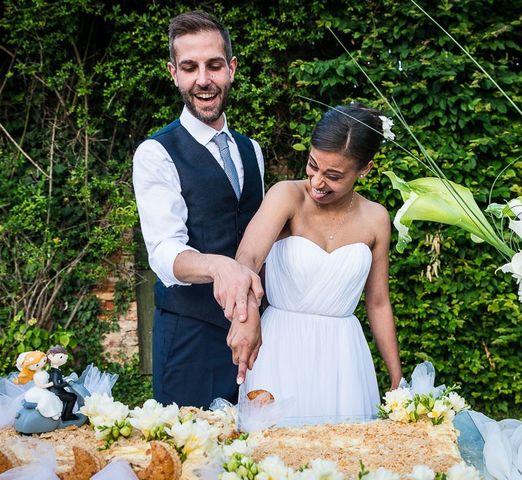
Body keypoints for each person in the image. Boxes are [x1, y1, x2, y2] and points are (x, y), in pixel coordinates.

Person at [237, 103, 403, 420]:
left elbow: (379, 302)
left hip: (343, 358)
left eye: (333, 175)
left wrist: (396, 374)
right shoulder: (286, 196)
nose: (317, 182)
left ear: (364, 170)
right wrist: (244, 318)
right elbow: (248, 257)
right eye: (313, 165)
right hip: (279, 349)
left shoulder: (377, 218)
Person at [133, 11, 265, 408]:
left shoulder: (251, 150)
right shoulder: (156, 153)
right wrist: (219, 266)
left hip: (256, 338)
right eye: (190, 67)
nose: (203, 80)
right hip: (190, 342)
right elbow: (164, 252)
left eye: (214, 65)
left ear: (232, 69)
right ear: (174, 73)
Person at [22, 351, 64, 420]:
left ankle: (57, 411)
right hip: (40, 390)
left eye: (43, 360)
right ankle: (51, 413)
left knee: (54, 397)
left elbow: (49, 378)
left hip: (46, 389)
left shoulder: (44, 372)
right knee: (47, 398)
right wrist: (51, 384)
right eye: (36, 365)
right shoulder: (35, 376)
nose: (41, 364)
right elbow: (41, 386)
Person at [46, 345, 78, 421]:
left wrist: (64, 379)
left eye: (65, 358)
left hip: (58, 391)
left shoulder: (57, 371)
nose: (64, 360)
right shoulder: (54, 373)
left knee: (72, 396)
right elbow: (56, 385)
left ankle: (67, 413)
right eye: (61, 357)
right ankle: (66, 416)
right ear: (50, 357)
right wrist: (67, 382)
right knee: (72, 397)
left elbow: (58, 381)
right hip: (56, 393)